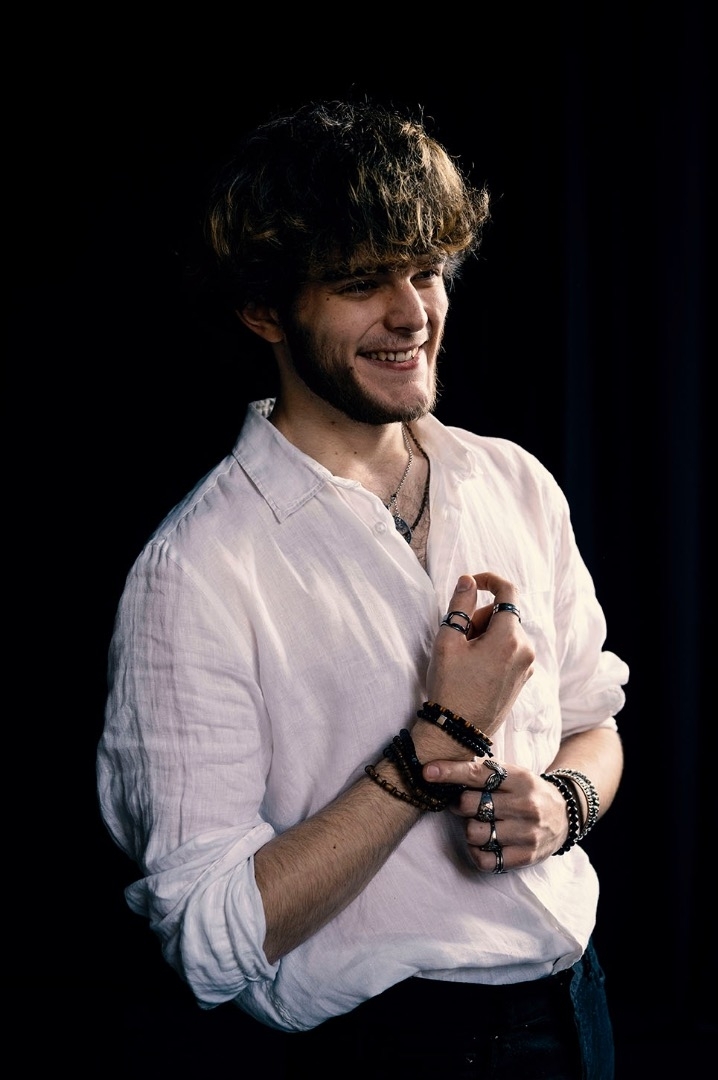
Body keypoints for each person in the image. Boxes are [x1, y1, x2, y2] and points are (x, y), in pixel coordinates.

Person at [97, 99, 629, 1079]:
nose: (412, 313)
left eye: (426, 270)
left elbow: (596, 726)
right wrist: (435, 746)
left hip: (577, 1012)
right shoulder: (196, 571)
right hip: (388, 1048)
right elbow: (208, 941)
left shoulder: (514, 482)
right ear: (264, 309)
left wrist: (563, 804)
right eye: (358, 281)